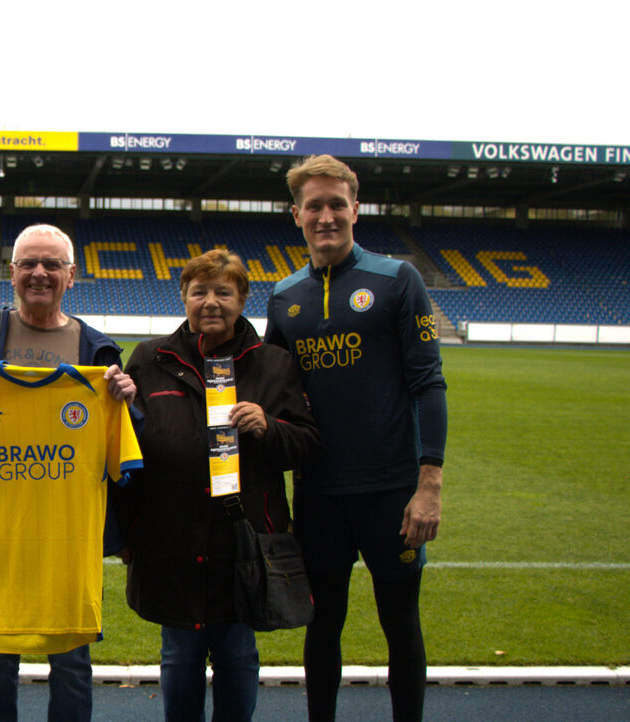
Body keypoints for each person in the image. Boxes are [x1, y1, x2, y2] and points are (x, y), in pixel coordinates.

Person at [0, 223, 137, 722]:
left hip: (66, 544)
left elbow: (129, 453)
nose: (39, 273)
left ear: (71, 275)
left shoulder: (98, 350)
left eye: (50, 264)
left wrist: (130, 404)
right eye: (28, 264)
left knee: (71, 663)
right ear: (13, 273)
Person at [264, 155, 447, 722]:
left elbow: (428, 381)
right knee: (322, 628)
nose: (326, 216)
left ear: (355, 209)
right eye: (314, 206)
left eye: (336, 204)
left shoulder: (397, 279)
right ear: (296, 215)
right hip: (319, 496)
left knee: (401, 626)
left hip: (392, 493)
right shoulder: (283, 296)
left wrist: (429, 484)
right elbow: (273, 391)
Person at [113, 249, 320, 721]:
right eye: (199, 291)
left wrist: (270, 427)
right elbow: (125, 451)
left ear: (243, 299)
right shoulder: (149, 359)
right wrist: (126, 534)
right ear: (184, 297)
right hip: (170, 543)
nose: (211, 302)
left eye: (223, 291)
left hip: (243, 544)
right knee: (180, 657)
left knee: (237, 657)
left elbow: (307, 444)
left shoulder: (273, 364)